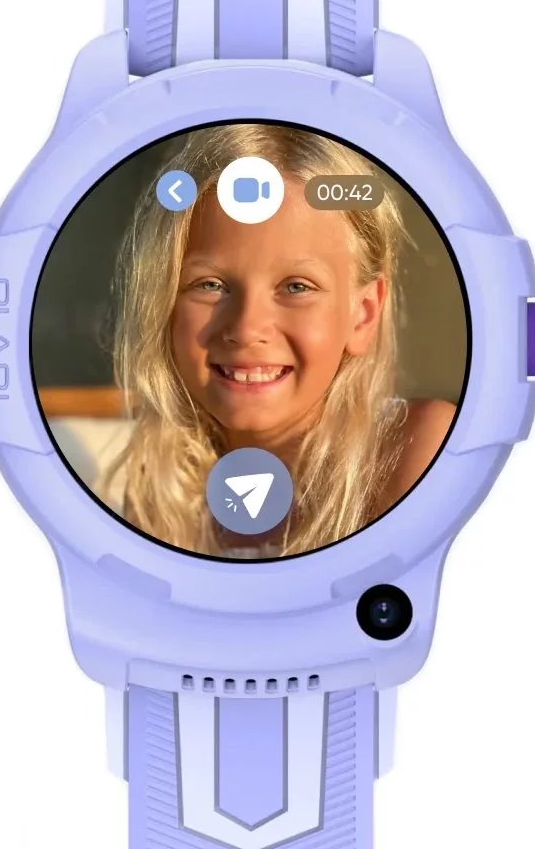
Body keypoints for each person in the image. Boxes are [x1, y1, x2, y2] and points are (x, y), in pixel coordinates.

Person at [100, 123, 456, 558]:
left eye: (296, 287)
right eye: (210, 285)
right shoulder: (164, 489)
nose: (247, 328)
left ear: (363, 314)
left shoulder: (419, 452)